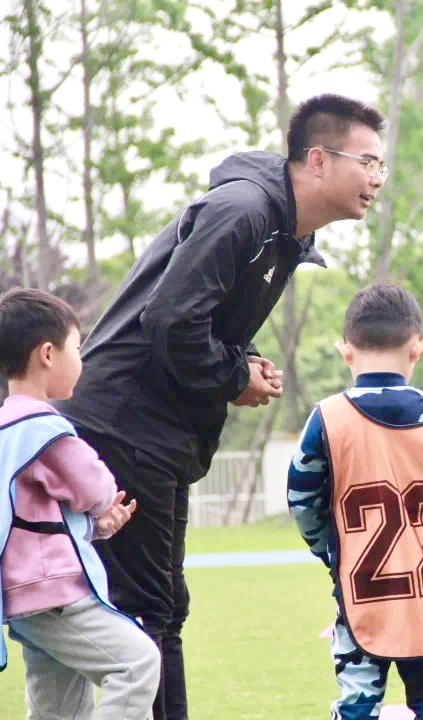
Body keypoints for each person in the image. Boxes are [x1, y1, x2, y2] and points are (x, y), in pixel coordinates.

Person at [53, 94, 389, 720]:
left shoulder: (284, 231)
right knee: (148, 610)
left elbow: (203, 317)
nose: (376, 178)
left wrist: (246, 361)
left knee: (159, 608)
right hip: (123, 425)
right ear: (318, 160)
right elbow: (170, 318)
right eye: (366, 162)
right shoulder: (244, 211)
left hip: (157, 434)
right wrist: (234, 377)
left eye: (381, 165)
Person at [288, 285, 423, 719]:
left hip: (360, 596)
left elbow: (301, 500)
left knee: (356, 705)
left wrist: (333, 552)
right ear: (417, 349)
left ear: (345, 351)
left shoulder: (327, 418)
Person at [0, 288, 159, 719]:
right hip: (54, 590)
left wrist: (95, 526)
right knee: (136, 663)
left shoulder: (6, 428)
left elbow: (32, 516)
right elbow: (96, 486)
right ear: (47, 354)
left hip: (24, 593)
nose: (81, 360)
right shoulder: (42, 428)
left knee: (58, 709)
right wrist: (103, 507)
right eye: (77, 347)